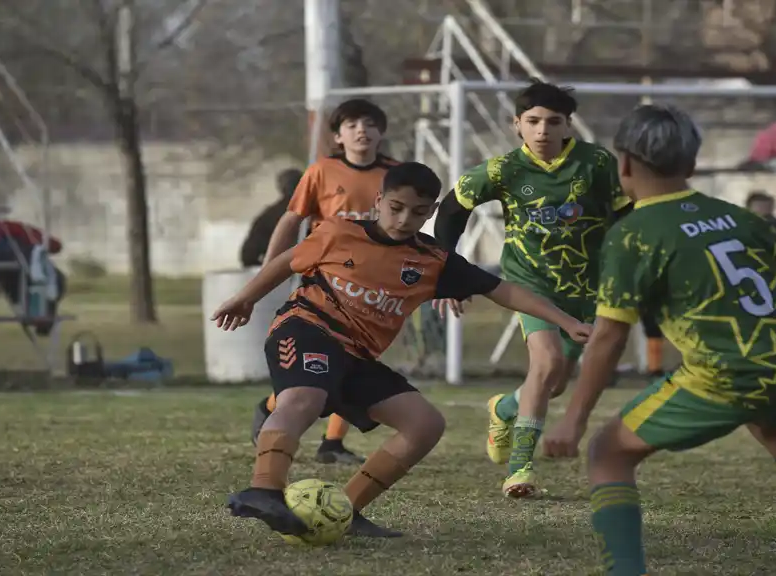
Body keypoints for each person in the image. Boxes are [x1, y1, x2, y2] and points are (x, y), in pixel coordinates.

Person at [541, 104, 776, 576]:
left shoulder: (632, 235)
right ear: (692, 165)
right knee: (775, 423)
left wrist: (573, 419)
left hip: (729, 375)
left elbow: (609, 336)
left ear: (623, 165)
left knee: (608, 453)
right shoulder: (737, 217)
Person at [213, 162, 592, 538]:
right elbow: (286, 261)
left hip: (357, 356)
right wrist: (245, 299)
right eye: (396, 207)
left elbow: (502, 289)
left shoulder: (432, 261)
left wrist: (565, 320)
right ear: (379, 200)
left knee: (425, 424)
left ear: (429, 212)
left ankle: (344, 511)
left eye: (418, 212)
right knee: (303, 397)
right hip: (307, 328)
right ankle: (263, 489)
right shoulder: (338, 232)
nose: (404, 219)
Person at [433, 80, 631, 497]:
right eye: (533, 121)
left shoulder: (596, 164)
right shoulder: (502, 170)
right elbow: (452, 207)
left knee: (554, 381)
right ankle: (519, 470)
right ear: (516, 125)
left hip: (588, 290)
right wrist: (445, 270)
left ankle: (502, 408)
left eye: (552, 122)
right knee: (545, 364)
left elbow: (626, 215)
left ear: (568, 126)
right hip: (530, 283)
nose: (542, 131)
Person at [248, 98, 398, 465]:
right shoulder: (321, 172)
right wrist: (269, 270)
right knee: (325, 362)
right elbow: (290, 219)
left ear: (381, 132)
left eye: (368, 123)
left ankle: (326, 439)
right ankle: (279, 411)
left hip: (377, 286)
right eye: (351, 125)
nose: (361, 130)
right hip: (326, 283)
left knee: (355, 361)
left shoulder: (397, 175)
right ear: (338, 136)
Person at [239, 168, 302, 268]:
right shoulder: (321, 212)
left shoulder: (267, 216)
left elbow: (248, 257)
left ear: (280, 187)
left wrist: (269, 270)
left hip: (280, 277)